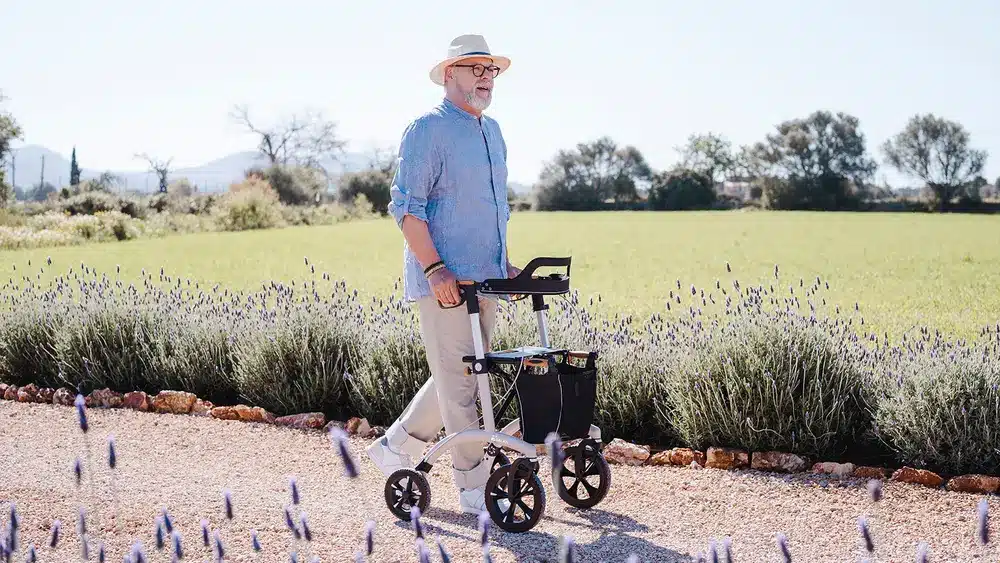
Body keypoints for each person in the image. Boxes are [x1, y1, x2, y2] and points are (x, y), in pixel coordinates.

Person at [365, 34, 520, 516]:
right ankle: (474, 487)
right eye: (476, 68)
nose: (486, 77)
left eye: (491, 70)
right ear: (449, 73)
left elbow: (491, 209)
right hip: (445, 282)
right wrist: (434, 268)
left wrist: (504, 264)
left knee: (464, 372)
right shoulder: (427, 129)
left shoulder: (492, 132)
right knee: (461, 381)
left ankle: (398, 445)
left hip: (485, 279)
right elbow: (406, 208)